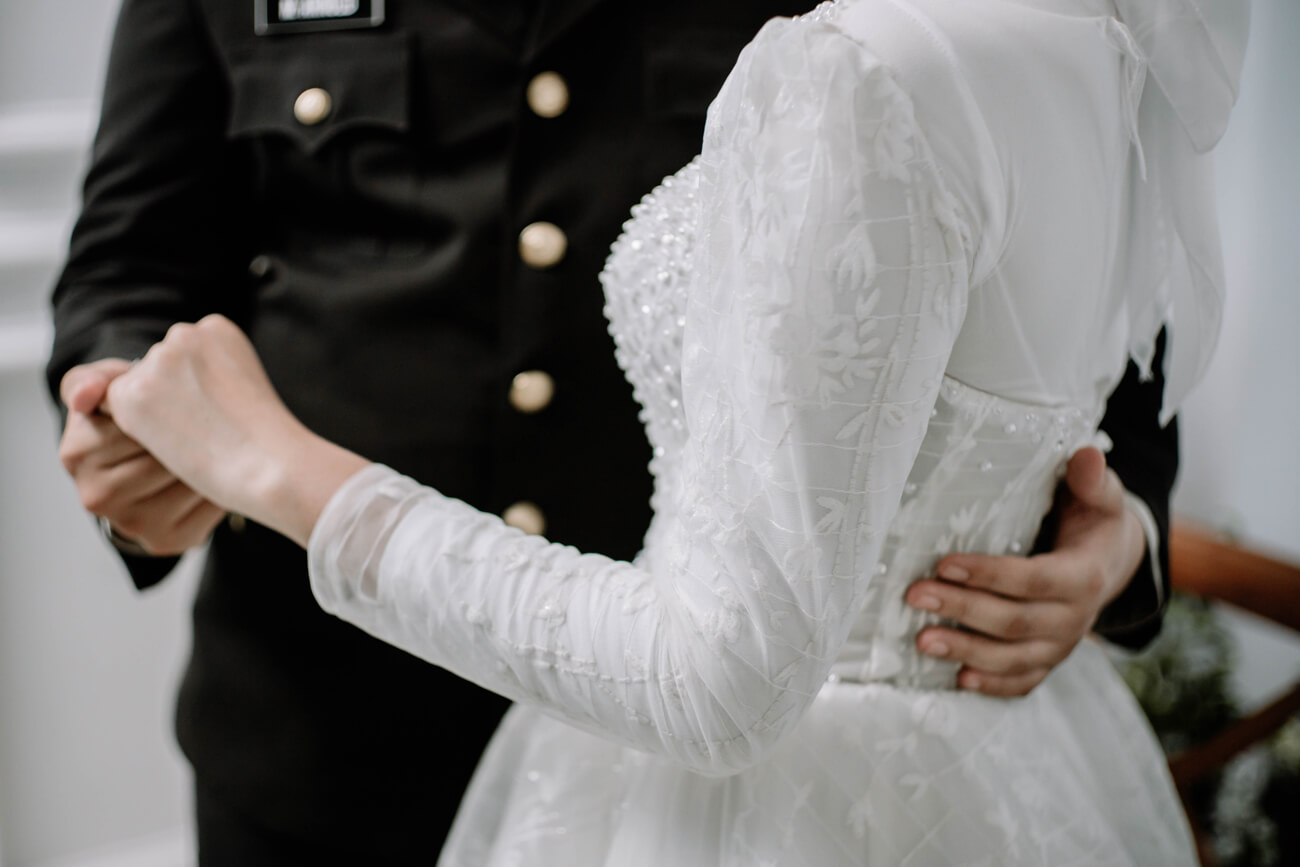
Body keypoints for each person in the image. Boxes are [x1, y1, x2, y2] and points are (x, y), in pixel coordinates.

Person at [77, 0, 1248, 863]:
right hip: (327, 724)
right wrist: (131, 428)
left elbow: (1099, 339)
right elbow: (131, 263)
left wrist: (1115, 535)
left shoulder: (878, 48)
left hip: (716, 757)